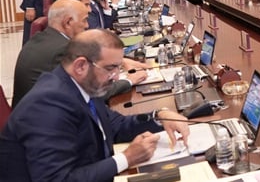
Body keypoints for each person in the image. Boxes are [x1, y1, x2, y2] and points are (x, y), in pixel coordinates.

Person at [0, 30, 192, 181]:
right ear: (80, 66)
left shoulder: (83, 84)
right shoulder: (47, 105)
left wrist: (159, 116)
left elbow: (114, 126)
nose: (116, 77)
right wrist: (126, 158)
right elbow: (57, 179)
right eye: (110, 68)